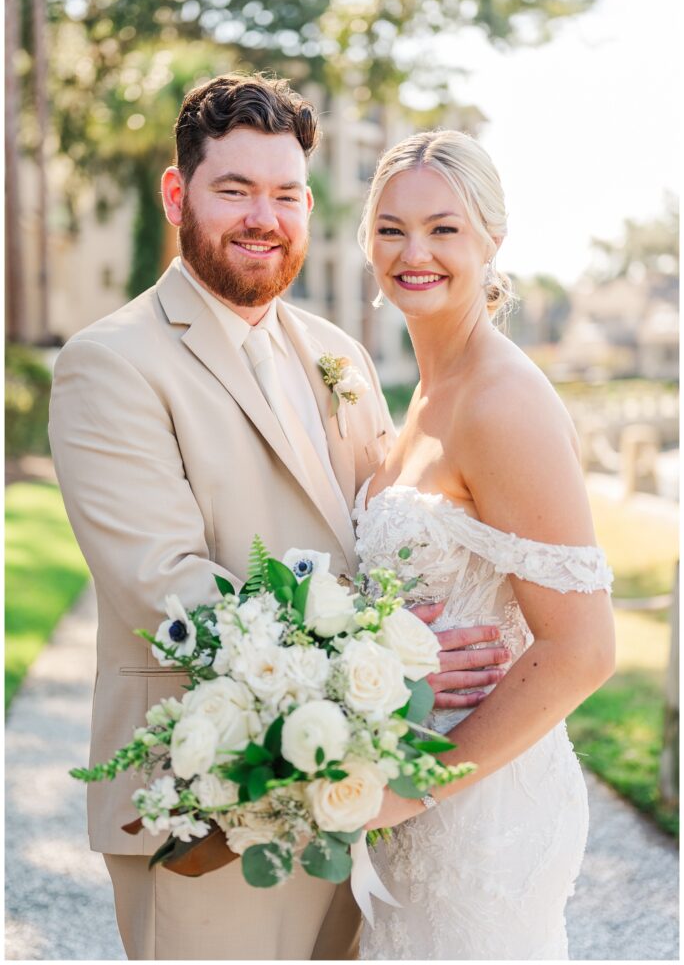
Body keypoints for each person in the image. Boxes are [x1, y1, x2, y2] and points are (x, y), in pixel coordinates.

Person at [48, 75, 508, 961]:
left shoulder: (337, 354)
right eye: (235, 190)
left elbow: (376, 538)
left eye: (286, 194)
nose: (265, 217)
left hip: (362, 800)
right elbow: (169, 594)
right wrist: (387, 661)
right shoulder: (111, 363)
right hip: (211, 810)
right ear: (179, 196)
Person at [353, 129, 616, 960]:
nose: (414, 251)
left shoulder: (503, 400)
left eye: (444, 228)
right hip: (412, 787)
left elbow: (583, 648)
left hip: (480, 810)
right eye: (391, 229)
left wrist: (412, 788)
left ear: (492, 240)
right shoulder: (427, 393)